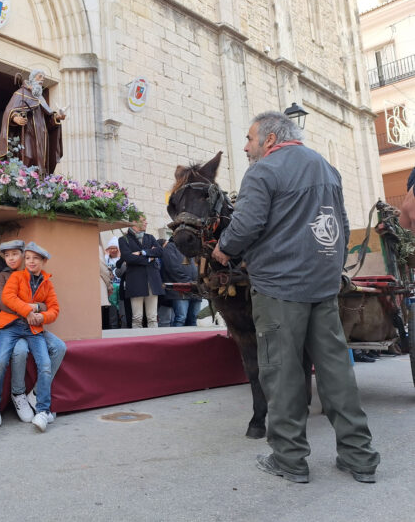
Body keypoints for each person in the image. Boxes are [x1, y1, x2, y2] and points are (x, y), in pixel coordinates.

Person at [212, 111, 380, 484]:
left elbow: (248, 224)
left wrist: (225, 248)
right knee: (336, 371)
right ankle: (360, 457)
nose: (246, 145)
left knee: (282, 372)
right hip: (322, 284)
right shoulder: (326, 168)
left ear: (270, 139)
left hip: (279, 287)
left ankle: (289, 459)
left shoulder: (263, 171)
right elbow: (340, 224)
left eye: (250, 138)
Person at [0, 240, 66, 423]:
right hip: (11, 325)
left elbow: (53, 308)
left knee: (47, 361)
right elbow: (6, 299)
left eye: (15, 254)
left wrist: (40, 315)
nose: (31, 261)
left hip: (33, 327)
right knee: (1, 360)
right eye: (29, 258)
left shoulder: (46, 283)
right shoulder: (10, 277)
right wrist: (28, 311)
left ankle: (42, 407)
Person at [0, 69, 66, 174]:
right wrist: (16, 118)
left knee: (41, 161)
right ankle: (26, 180)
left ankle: (41, 181)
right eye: (39, 76)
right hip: (28, 133)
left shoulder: (41, 99)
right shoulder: (20, 94)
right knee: (28, 156)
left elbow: (48, 118)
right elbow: (9, 111)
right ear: (32, 78)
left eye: (43, 77)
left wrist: (57, 117)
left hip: (42, 135)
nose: (42, 79)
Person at [118, 216, 164, 328]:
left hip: (152, 281)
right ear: (134, 222)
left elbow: (160, 251)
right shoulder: (123, 239)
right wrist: (149, 258)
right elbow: (128, 258)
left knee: (153, 317)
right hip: (135, 281)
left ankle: (155, 342)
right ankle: (137, 342)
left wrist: (142, 253)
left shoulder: (150, 237)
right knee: (137, 318)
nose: (146, 222)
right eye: (143, 220)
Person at [161, 238, 202, 327]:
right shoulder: (170, 247)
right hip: (180, 288)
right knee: (181, 318)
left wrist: (198, 281)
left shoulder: (193, 247)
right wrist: (188, 281)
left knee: (195, 318)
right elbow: (172, 268)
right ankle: (175, 340)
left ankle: (193, 341)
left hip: (196, 288)